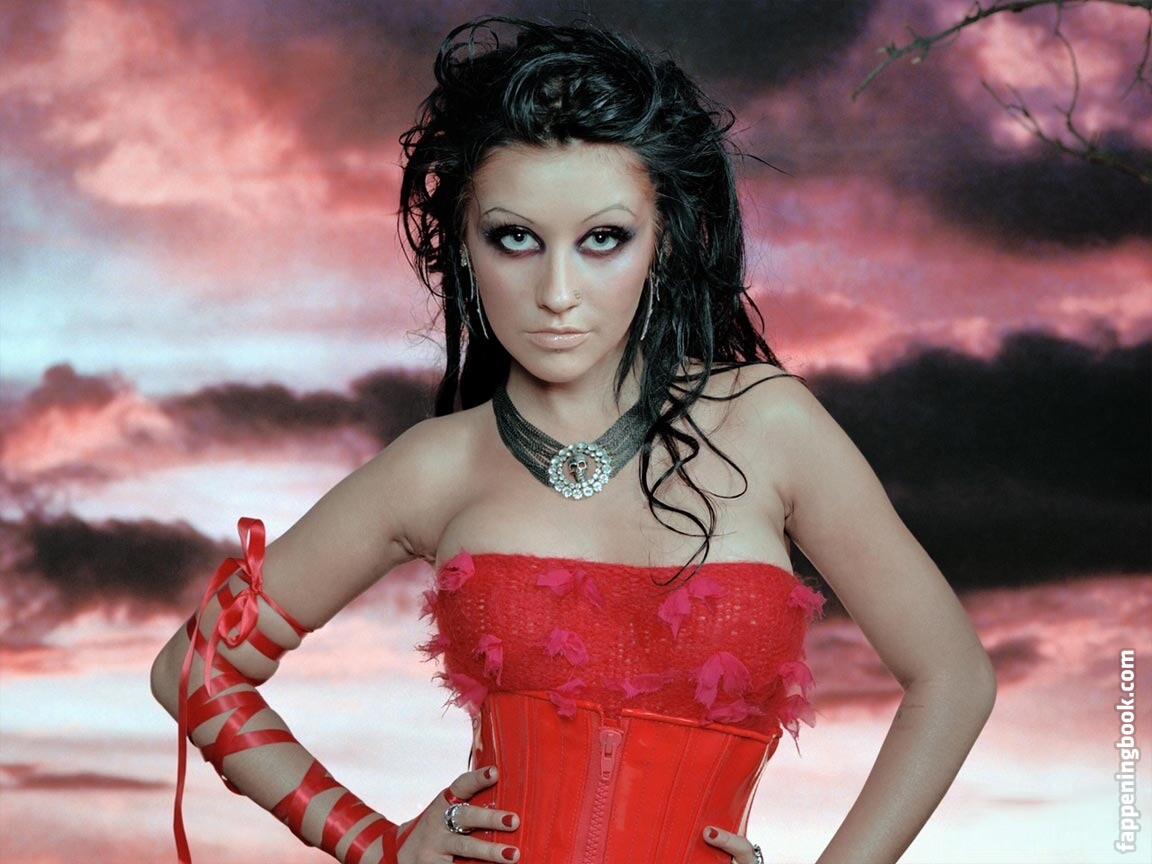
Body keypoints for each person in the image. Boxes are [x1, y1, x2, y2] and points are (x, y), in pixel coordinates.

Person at [150, 13, 997, 864]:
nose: (557, 292)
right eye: (515, 238)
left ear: (661, 242)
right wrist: (375, 845)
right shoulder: (436, 467)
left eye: (602, 239)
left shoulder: (769, 426)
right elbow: (194, 671)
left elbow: (953, 679)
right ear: (465, 247)